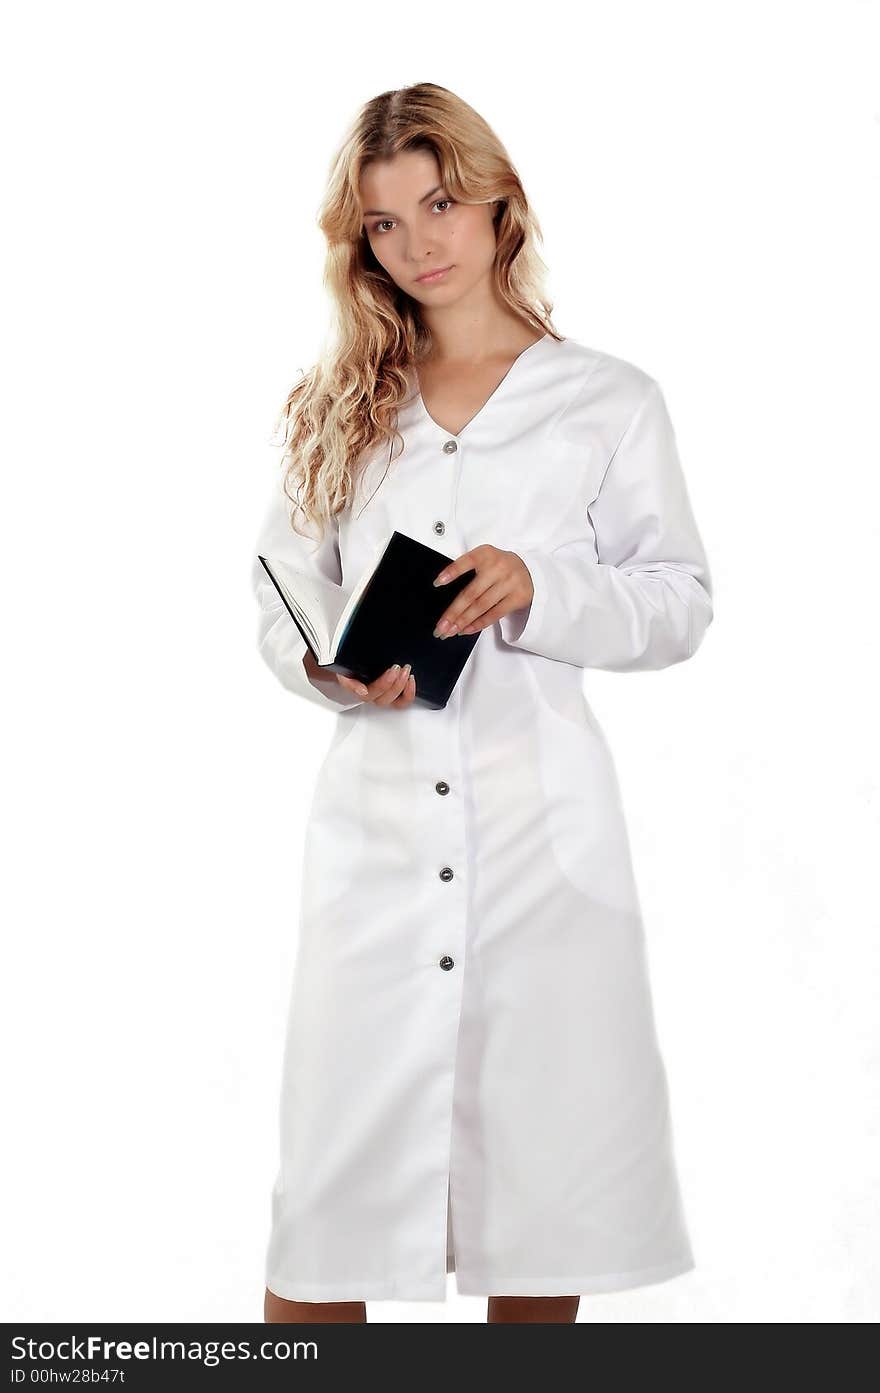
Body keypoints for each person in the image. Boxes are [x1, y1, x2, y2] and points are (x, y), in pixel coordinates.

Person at [252, 82, 714, 1325]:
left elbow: (677, 601)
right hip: (376, 844)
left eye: (441, 202)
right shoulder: (336, 411)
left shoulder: (606, 400)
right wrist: (330, 671)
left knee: (538, 1207)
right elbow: (283, 596)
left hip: (541, 854)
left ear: (499, 197)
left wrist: (538, 587)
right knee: (323, 1232)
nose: (420, 244)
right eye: (386, 225)